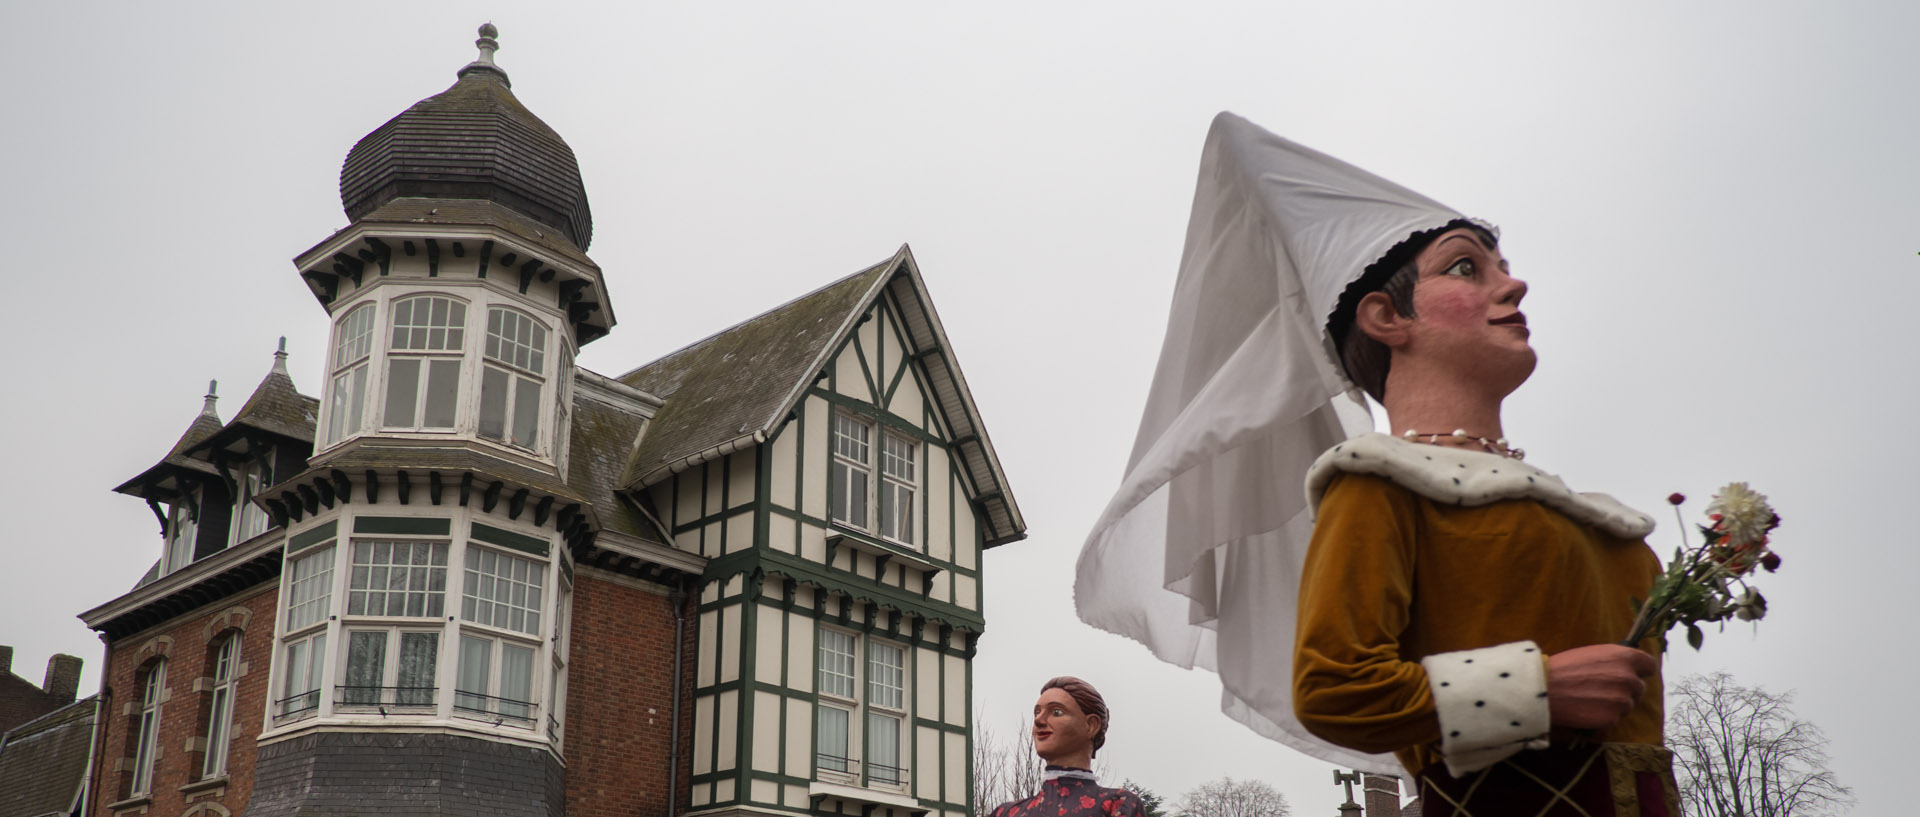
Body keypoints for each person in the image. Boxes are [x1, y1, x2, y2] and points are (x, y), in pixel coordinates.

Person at [1074, 113, 1676, 816]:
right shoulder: (1380, 484)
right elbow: (1336, 687)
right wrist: (1534, 689)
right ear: (1386, 317)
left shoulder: (1586, 516)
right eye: (1465, 267)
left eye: (1503, 268)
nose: (1513, 288)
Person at [989, 677, 1146, 817]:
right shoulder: (1006, 813)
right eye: (1037, 713)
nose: (1039, 720)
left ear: (1091, 725)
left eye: (1056, 712)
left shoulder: (1118, 804)